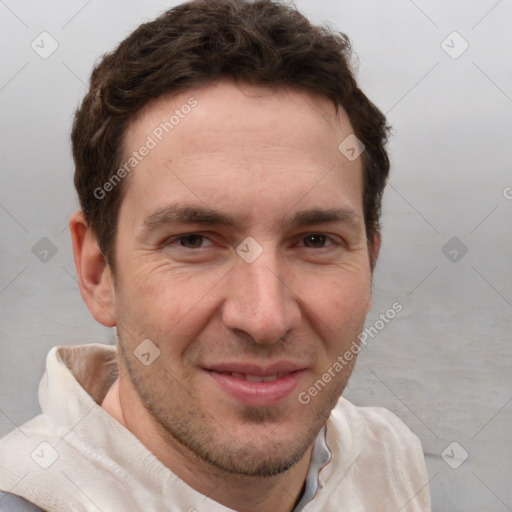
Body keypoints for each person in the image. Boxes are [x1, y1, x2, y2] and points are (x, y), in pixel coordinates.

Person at [0, 0, 431, 510]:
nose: (265, 317)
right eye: (193, 241)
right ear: (98, 274)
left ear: (370, 263)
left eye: (315, 241)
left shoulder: (389, 461)